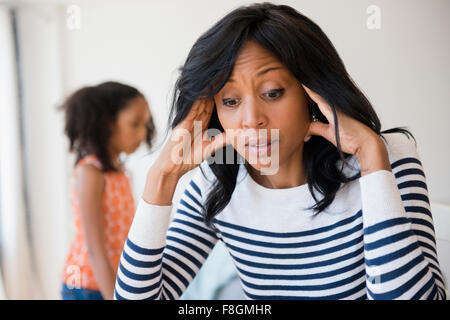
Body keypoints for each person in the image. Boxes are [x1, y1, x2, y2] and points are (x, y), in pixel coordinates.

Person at [114, 3, 446, 300]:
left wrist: (371, 157)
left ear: (313, 92)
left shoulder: (387, 157)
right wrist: (162, 175)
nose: (251, 120)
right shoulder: (216, 183)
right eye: (230, 101)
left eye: (272, 93)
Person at [60, 81, 155, 300]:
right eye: (135, 123)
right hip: (84, 286)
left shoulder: (119, 172)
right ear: (107, 123)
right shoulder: (90, 173)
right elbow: (95, 251)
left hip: (110, 281)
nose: (142, 133)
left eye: (145, 124)